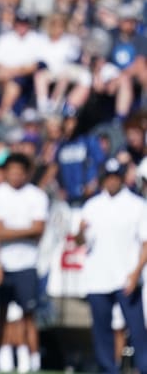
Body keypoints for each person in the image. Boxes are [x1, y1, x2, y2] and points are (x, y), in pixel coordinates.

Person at [75, 158, 147, 374]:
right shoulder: (92, 205)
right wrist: (79, 232)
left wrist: (136, 273)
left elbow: (145, 243)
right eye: (109, 177)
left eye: (116, 177)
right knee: (101, 329)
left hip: (126, 276)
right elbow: (81, 242)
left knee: (136, 329)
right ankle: (108, 369)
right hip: (99, 277)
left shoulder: (137, 205)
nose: (112, 181)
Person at [0, 153, 49, 373]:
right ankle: (0, 356)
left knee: (29, 314)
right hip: (3, 264)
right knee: (0, 312)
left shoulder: (37, 196)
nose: (15, 176)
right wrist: (26, 230)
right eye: (11, 171)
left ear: (27, 173)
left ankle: (31, 359)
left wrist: (7, 231)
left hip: (28, 264)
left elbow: (39, 229)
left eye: (19, 172)